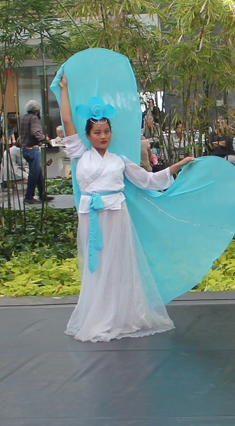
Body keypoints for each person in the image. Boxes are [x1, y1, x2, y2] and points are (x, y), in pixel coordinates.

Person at [58, 73, 194, 343]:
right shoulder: (79, 155)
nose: (103, 136)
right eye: (97, 132)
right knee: (97, 268)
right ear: (88, 136)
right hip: (92, 216)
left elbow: (149, 180)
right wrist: (64, 89)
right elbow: (67, 121)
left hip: (117, 215)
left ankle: (121, 315)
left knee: (118, 265)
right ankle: (98, 316)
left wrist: (178, 166)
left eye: (106, 131)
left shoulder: (120, 161)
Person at [20, 100, 54, 204]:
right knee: (34, 174)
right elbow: (35, 132)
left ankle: (42, 194)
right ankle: (29, 196)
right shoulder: (34, 118)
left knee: (38, 172)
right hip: (33, 149)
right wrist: (46, 138)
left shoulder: (24, 117)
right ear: (37, 110)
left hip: (25, 148)